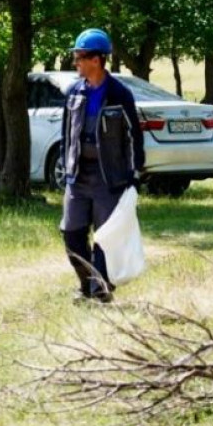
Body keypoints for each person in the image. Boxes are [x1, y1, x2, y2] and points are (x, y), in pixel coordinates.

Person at [59, 28, 145, 303]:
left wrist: (134, 175)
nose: (76, 63)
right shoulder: (74, 92)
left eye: (80, 57)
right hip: (78, 175)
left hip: (109, 177)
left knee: (105, 237)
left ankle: (100, 291)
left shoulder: (120, 94)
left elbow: (134, 136)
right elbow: (65, 133)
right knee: (71, 233)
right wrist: (65, 164)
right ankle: (87, 283)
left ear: (96, 60)